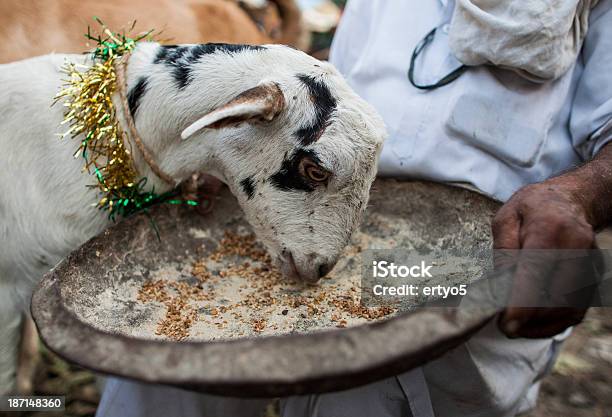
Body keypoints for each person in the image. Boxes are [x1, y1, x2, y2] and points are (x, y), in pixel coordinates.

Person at [96, 0, 612, 416]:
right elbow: (324, 107)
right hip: (328, 215)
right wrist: (234, 157)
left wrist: (573, 196)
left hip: (466, 258)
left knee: (369, 395)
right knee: (164, 371)